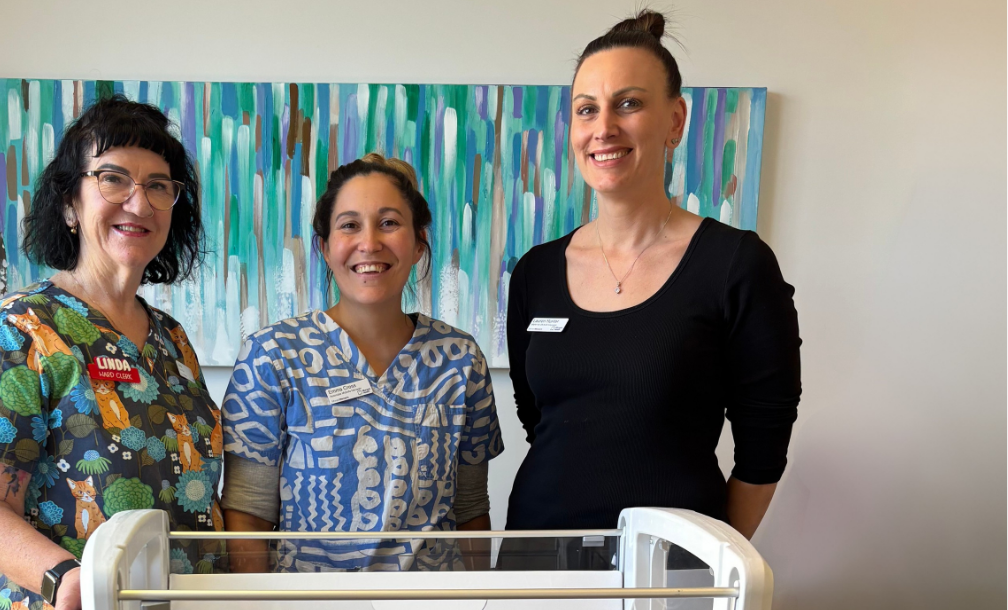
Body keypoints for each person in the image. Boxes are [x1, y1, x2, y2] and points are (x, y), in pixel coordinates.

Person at [501, 10, 801, 568]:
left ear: (675, 121)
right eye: (586, 109)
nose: (603, 127)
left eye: (629, 103)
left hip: (667, 575)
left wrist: (703, 558)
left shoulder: (736, 265)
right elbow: (537, 419)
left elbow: (763, 452)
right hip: (534, 564)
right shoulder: (536, 272)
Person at [0, 95, 224, 610]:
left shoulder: (172, 339)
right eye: (113, 178)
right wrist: (68, 579)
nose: (139, 203)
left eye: (158, 185)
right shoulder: (20, 328)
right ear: (70, 202)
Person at [220, 153, 503, 572]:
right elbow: (247, 510)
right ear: (325, 246)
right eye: (349, 225)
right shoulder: (273, 356)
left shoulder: (460, 360)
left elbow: (471, 508)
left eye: (389, 223)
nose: (369, 243)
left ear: (418, 241)